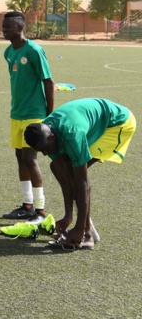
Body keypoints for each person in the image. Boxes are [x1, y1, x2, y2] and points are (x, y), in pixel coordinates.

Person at [24, 98, 135, 249]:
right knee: (57, 167)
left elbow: (83, 182)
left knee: (77, 175)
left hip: (118, 124)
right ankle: (85, 229)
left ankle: (86, 235)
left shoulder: (72, 134)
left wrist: (79, 228)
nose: (45, 153)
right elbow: (65, 179)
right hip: (92, 123)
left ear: (52, 137)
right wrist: (68, 216)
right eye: (41, 151)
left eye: (46, 149)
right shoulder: (45, 137)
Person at [1, 11, 55, 224]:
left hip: (34, 114)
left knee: (30, 159)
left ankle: (40, 210)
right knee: (20, 157)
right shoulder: (8, 51)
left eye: (8, 26)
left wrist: (50, 116)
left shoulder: (33, 50)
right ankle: (27, 205)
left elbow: (48, 82)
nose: (4, 30)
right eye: (3, 26)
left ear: (20, 27)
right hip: (17, 113)